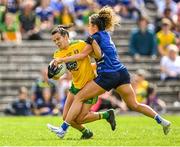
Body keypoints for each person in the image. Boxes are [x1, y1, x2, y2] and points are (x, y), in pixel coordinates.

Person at [52, 6, 171, 138]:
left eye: (89, 25)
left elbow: (82, 55)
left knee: (79, 97)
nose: (87, 27)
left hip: (108, 75)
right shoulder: (106, 35)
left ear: (94, 26)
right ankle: (162, 121)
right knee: (134, 104)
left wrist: (61, 60)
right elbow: (98, 55)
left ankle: (63, 129)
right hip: (122, 72)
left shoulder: (94, 37)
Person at [47, 25, 116, 139]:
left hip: (90, 85)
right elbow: (63, 74)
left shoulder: (80, 44)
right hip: (75, 85)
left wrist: (99, 65)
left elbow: (96, 56)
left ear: (66, 36)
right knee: (65, 117)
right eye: (54, 41)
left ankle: (106, 115)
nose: (56, 42)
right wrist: (52, 75)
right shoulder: (57, 54)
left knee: (79, 118)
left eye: (58, 39)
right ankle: (88, 131)